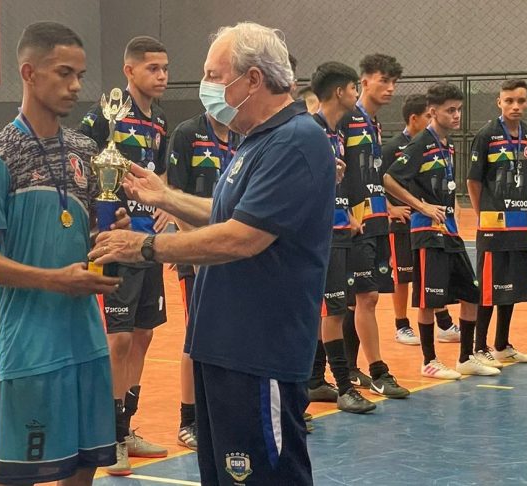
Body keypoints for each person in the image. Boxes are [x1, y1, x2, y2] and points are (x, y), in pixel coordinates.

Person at [90, 22, 333, 485]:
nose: (205, 85)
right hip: (224, 348)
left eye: (213, 75)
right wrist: (166, 197)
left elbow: (243, 237)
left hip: (259, 353)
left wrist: (145, 245)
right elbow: (228, 213)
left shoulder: (295, 140)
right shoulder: (256, 139)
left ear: (253, 79)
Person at [0, 22, 126, 486]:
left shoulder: (85, 151)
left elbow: (85, 233)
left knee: (85, 465)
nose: (75, 86)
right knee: (27, 474)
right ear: (29, 73)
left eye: (80, 75)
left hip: (85, 338)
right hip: (31, 345)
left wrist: (108, 232)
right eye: (64, 73)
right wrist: (55, 280)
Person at [79, 35, 170, 475]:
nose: (162, 76)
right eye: (153, 68)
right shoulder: (104, 114)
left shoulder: (160, 121)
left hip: (149, 244)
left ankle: (126, 428)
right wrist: (97, 217)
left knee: (143, 335)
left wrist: (167, 206)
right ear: (128, 71)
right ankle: (110, 438)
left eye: (165, 68)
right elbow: (81, 161)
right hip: (116, 243)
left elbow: (161, 173)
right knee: (117, 339)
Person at [383, 82, 499, 378]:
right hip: (427, 234)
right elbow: (389, 179)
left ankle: (466, 357)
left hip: (449, 231)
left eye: (459, 109)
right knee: (428, 298)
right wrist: (420, 206)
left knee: (471, 294)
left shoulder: (447, 144)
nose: (456, 115)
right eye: (450, 110)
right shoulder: (420, 143)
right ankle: (429, 361)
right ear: (433, 112)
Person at [166, 110, 240, 449]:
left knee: (229, 334)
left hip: (231, 250)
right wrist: (195, 247)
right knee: (196, 336)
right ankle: (188, 420)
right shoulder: (187, 133)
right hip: (197, 253)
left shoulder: (240, 136)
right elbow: (173, 195)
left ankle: (221, 414)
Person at [337, 53, 410, 398]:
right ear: (364, 81)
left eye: (394, 82)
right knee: (366, 297)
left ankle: (351, 369)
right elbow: (335, 170)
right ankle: (378, 371)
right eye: (384, 80)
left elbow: (371, 174)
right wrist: (344, 213)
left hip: (378, 221)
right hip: (356, 224)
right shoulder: (347, 118)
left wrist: (389, 206)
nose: (390, 88)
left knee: (359, 300)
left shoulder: (373, 123)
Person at [308, 61, 375, 414]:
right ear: (339, 92)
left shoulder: (336, 132)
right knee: (332, 311)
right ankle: (346, 387)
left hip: (338, 228)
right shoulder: (311, 131)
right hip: (320, 236)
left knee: (332, 308)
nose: (356, 94)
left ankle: (313, 380)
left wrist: (346, 213)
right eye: (353, 88)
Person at [467, 78, 527, 366]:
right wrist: (481, 215)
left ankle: (501, 345)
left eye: (520, 100)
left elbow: (526, 177)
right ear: (499, 102)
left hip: (521, 222)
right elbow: (473, 181)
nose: (515, 106)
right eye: (509, 101)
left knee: (513, 284)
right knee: (489, 287)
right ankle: (478, 347)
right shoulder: (486, 135)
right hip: (493, 224)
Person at [381, 94, 459, 346]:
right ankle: (401, 324)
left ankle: (444, 323)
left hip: (432, 222)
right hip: (403, 222)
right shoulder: (393, 148)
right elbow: (377, 182)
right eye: (428, 115)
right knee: (403, 275)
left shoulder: (440, 143)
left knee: (432, 274)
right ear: (414, 119)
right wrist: (391, 208)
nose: (432, 119)